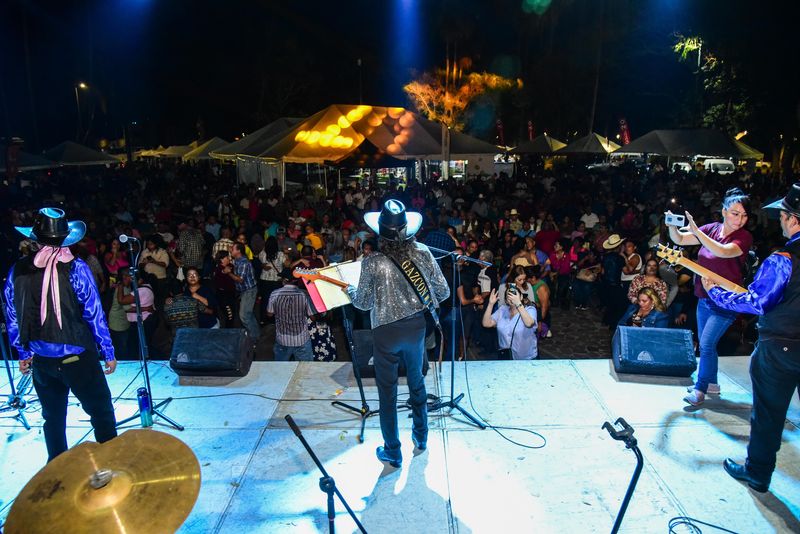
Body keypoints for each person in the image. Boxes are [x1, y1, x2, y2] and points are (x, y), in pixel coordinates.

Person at [702, 183, 800, 493]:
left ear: (793, 219)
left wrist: (715, 292)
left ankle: (757, 474)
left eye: (782, 215)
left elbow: (758, 301)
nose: (781, 222)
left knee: (769, 414)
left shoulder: (784, 258)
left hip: (781, 348)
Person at [3, 208, 117, 462]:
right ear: (65, 238)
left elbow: (13, 314)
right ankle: (112, 472)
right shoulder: (76, 268)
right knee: (102, 414)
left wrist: (23, 352)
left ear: (36, 239)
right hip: (77, 358)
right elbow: (94, 313)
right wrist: (108, 351)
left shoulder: (17, 270)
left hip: (42, 362)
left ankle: (57, 475)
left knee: (53, 420)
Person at [347, 200, 449, 468]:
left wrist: (350, 292)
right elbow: (443, 292)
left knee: (387, 393)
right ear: (408, 230)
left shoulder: (372, 262)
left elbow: (363, 303)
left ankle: (393, 451)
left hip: (385, 332)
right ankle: (421, 437)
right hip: (416, 328)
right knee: (417, 383)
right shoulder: (423, 252)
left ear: (380, 232)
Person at [670, 188, 753, 406]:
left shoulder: (744, 237)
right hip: (704, 297)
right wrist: (671, 225)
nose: (740, 219)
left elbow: (723, 251)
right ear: (724, 211)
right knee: (709, 345)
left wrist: (698, 232)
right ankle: (712, 384)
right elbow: (679, 238)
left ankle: (700, 389)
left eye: (744, 215)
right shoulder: (711, 229)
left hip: (726, 301)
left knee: (706, 344)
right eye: (735, 213)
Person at [266, 273, 317, 361]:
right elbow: (312, 317)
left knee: (281, 368)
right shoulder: (303, 295)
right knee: (305, 369)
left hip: (282, 339)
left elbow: (269, 314)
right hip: (301, 339)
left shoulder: (274, 294)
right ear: (296, 281)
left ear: (284, 281)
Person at [482, 284, 538, 360]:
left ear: (521, 297)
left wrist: (518, 303)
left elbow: (529, 323)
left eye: (514, 294)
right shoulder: (502, 310)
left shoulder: (530, 310)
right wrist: (490, 304)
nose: (512, 297)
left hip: (526, 358)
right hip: (506, 357)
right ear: (506, 300)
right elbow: (486, 323)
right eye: (509, 295)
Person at [228, 242, 260, 342]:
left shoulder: (244, 263)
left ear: (238, 251)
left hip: (249, 291)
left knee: (244, 316)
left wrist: (229, 273)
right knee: (248, 314)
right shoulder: (237, 260)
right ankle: (256, 334)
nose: (230, 249)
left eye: (232, 248)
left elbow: (240, 279)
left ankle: (254, 338)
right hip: (245, 291)